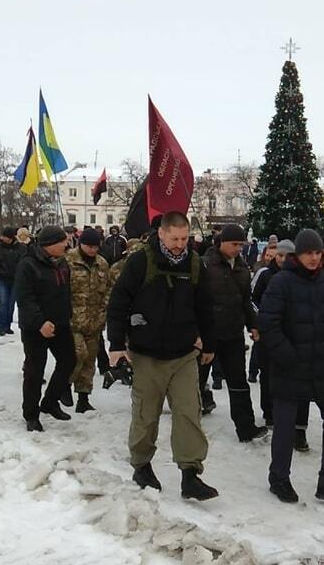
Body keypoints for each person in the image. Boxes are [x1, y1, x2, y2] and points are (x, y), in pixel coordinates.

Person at [107, 212, 219, 501]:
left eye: (185, 238)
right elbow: (118, 303)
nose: (181, 244)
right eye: (175, 238)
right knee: (146, 415)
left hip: (183, 354)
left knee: (188, 413)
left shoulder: (195, 264)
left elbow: (205, 307)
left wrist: (208, 344)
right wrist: (116, 344)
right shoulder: (140, 262)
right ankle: (142, 465)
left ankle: (190, 474)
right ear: (161, 234)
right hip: (146, 354)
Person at [258, 229, 324, 504]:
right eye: (309, 253)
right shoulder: (281, 282)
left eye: (317, 252)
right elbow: (268, 324)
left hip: (321, 365)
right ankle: (279, 478)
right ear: (298, 255)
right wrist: (288, 355)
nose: (314, 258)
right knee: (285, 427)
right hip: (290, 367)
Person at [200, 224, 268, 442]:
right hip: (207, 334)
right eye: (234, 244)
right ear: (222, 242)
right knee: (196, 382)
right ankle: (189, 424)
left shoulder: (241, 268)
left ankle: (245, 426)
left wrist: (253, 325)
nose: (238, 248)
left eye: (241, 244)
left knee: (238, 382)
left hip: (233, 334)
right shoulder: (204, 264)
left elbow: (245, 301)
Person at [15, 226, 76, 432]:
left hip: (60, 323)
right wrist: (40, 322)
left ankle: (50, 401)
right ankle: (31, 414)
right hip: (35, 327)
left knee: (69, 361)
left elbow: (65, 292)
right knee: (35, 370)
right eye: (62, 242)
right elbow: (25, 298)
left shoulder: (62, 262)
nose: (66, 244)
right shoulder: (27, 265)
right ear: (49, 245)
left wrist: (68, 315)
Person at [251, 239, 295, 437]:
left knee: (287, 374)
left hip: (289, 334)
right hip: (268, 333)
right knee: (267, 373)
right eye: (280, 255)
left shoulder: (297, 276)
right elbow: (252, 299)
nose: (283, 259)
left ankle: (283, 411)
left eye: (287, 256)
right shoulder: (265, 274)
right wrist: (262, 319)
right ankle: (268, 411)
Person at [65, 228, 110, 414]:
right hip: (73, 320)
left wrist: (103, 310)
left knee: (90, 361)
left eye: (95, 246)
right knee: (78, 355)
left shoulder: (102, 263)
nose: (92, 250)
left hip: (94, 320)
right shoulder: (68, 261)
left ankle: (83, 398)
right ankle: (64, 386)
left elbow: (108, 289)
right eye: (89, 246)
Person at [0, 227, 26, 336]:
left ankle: (8, 325)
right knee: (3, 303)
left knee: (11, 304)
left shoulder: (21, 248)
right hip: (2, 278)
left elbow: (23, 263)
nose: (3, 238)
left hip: (15, 279)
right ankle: (2, 326)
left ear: (11, 237)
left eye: (5, 236)